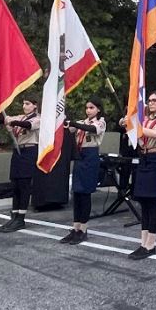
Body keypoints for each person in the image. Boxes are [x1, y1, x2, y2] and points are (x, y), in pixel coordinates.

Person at [121, 90, 156, 259]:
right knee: (143, 201)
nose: (150, 103)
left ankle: (151, 244)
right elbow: (130, 127)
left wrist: (135, 126)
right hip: (144, 158)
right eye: (149, 100)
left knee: (152, 202)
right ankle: (143, 243)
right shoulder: (145, 119)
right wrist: (128, 121)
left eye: (154, 100)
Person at [59, 97, 106, 245]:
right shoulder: (82, 122)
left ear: (98, 109)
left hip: (90, 156)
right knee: (77, 193)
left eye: (91, 108)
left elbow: (92, 129)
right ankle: (75, 227)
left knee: (85, 193)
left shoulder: (100, 122)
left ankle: (83, 229)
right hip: (79, 155)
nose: (88, 110)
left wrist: (75, 124)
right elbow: (68, 128)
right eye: (87, 108)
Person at [0, 95, 41, 233]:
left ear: (35, 105)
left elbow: (28, 126)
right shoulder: (20, 117)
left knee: (24, 185)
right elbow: (1, 119)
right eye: (23, 104)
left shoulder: (38, 118)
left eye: (27, 104)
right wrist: (3, 116)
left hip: (29, 151)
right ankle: (14, 215)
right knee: (15, 184)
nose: (24, 106)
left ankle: (21, 217)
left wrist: (13, 121)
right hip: (17, 151)